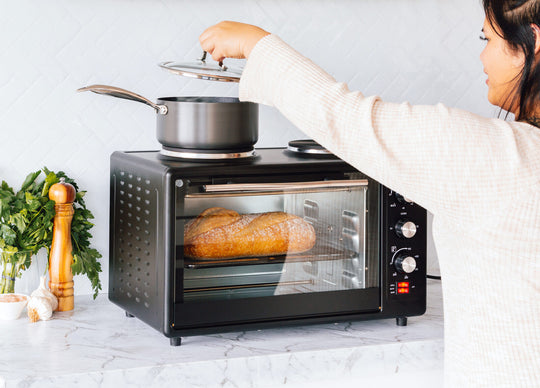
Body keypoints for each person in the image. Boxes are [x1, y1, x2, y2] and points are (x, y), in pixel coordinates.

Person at [199, 0, 539, 386]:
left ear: (532, 42)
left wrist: (256, 44)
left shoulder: (499, 156)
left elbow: (345, 117)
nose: (482, 54)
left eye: (488, 38)